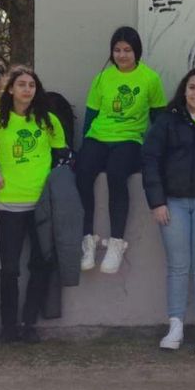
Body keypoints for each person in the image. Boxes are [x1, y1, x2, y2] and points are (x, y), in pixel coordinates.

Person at [142, 69, 195, 352]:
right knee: (178, 266)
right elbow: (151, 160)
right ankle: (176, 325)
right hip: (173, 203)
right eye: (192, 87)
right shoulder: (166, 122)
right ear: (184, 89)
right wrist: (157, 201)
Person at [0, 66, 67, 344]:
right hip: (9, 205)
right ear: (10, 89)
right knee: (9, 269)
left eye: (32, 85)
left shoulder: (49, 120)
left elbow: (63, 157)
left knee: (40, 264)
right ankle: (8, 326)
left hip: (42, 206)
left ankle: (30, 323)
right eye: (21, 84)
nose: (27, 89)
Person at [77, 26, 166, 274]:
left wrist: (157, 153)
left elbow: (159, 119)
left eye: (127, 50)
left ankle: (116, 243)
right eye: (117, 50)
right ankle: (88, 241)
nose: (122, 55)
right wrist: (85, 146)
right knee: (82, 172)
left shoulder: (150, 79)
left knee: (117, 174)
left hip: (130, 139)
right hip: (99, 135)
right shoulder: (102, 78)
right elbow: (91, 116)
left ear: (136, 51)